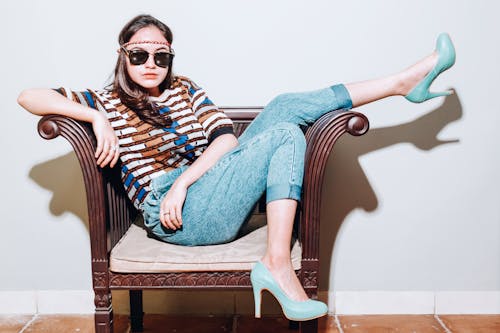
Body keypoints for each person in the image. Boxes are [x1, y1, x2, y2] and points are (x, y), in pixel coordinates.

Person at [18, 14, 455, 321]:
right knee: (286, 134)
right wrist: (95, 119)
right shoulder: (105, 100)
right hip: (175, 217)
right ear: (123, 55)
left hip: (201, 190)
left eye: (161, 56)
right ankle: (277, 265)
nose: (151, 64)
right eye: (139, 55)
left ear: (171, 58)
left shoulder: (186, 90)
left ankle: (402, 83)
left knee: (284, 106)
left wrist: (184, 182)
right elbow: (28, 96)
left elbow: (226, 139)